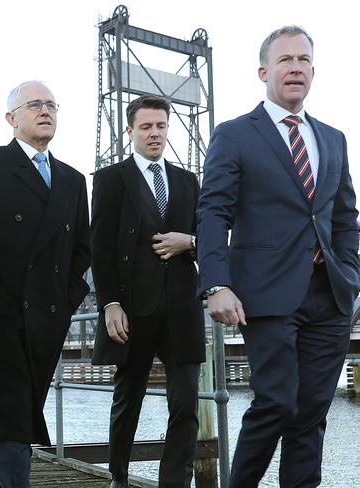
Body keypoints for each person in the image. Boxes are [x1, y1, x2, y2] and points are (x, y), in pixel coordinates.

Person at [197, 26, 359, 487]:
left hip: (330, 295)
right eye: (285, 60)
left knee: (310, 415)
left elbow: (345, 217)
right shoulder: (234, 135)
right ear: (264, 71)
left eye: (303, 60)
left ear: (313, 71)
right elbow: (212, 212)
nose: (295, 68)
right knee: (276, 403)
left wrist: (352, 273)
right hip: (263, 294)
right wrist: (216, 283)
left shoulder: (333, 139)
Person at [0, 80, 90, 487]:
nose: (46, 111)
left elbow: (82, 248)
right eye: (35, 105)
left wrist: (69, 297)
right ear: (11, 118)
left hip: (48, 317)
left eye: (52, 105)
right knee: (9, 415)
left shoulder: (73, 180)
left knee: (20, 416)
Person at [91, 94, 206, 488]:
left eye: (160, 126)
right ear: (130, 130)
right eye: (146, 126)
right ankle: (118, 479)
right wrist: (109, 303)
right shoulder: (110, 180)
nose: (154, 133)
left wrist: (188, 240)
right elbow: (100, 247)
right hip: (132, 308)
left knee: (186, 404)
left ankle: (174, 483)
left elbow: (208, 235)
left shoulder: (188, 181)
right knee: (128, 401)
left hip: (181, 306)